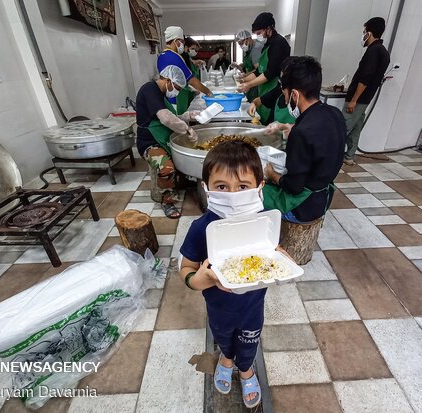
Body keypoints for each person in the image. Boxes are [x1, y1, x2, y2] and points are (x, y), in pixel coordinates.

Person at [180, 140, 285, 409]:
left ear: (260, 187)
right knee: (224, 337)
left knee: (249, 340)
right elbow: (186, 270)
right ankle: (226, 359)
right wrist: (199, 280)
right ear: (206, 188)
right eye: (222, 187)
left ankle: (247, 369)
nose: (233, 195)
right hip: (218, 306)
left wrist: (280, 257)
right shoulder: (201, 228)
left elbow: (272, 251)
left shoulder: (263, 223)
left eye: (243, 186)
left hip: (252, 305)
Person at [262, 56, 346, 224]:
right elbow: (318, 138)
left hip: (303, 207)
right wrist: (283, 126)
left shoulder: (301, 133)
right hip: (323, 196)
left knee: (253, 195)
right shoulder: (334, 114)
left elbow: (293, 187)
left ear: (294, 94)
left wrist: (271, 175)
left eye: (285, 95)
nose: (285, 101)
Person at [136, 65, 200, 219]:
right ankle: (167, 201)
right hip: (150, 142)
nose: (176, 92)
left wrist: (189, 115)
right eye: (176, 87)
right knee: (166, 168)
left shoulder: (160, 93)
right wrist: (187, 129)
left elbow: (172, 116)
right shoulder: (149, 90)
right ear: (167, 80)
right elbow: (165, 118)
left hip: (163, 137)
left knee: (186, 153)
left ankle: (181, 181)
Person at [342, 17, 391, 165]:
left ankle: (330, 157)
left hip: (358, 99)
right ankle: (349, 157)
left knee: (343, 127)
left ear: (369, 33)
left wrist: (354, 99)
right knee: (356, 128)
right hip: (366, 98)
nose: (362, 35)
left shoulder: (373, 51)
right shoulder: (383, 52)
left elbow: (366, 78)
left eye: (364, 31)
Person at [237, 12, 290, 125]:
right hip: (264, 90)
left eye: (260, 33)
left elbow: (270, 73)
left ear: (269, 28)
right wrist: (244, 81)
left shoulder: (279, 44)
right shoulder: (267, 45)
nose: (259, 36)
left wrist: (249, 85)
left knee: (270, 123)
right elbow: (258, 71)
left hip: (274, 90)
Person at [158, 26, 213, 115]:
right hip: (177, 98)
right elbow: (191, 80)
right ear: (176, 41)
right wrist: (208, 92)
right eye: (182, 42)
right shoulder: (174, 57)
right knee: (179, 121)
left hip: (170, 96)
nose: (183, 45)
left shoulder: (162, 55)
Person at [232, 29, 263, 102]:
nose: (241, 46)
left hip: (257, 84)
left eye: (241, 43)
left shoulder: (256, 49)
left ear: (248, 39)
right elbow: (248, 65)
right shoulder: (248, 49)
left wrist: (245, 77)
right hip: (250, 82)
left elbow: (258, 70)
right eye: (239, 44)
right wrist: (238, 66)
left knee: (254, 102)